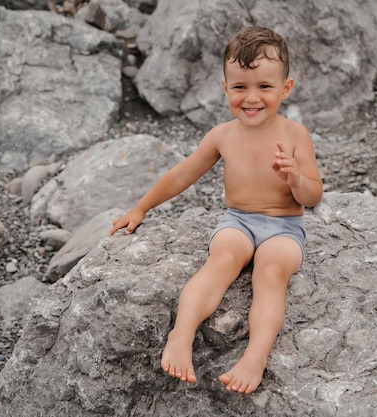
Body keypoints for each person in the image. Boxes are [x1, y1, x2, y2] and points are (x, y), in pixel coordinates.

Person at [109, 26, 323, 394]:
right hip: (237, 221)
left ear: (285, 88)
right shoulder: (222, 136)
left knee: (271, 273)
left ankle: (255, 356)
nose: (251, 98)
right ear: (225, 88)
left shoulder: (294, 135)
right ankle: (182, 333)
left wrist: (294, 180)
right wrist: (141, 207)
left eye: (264, 87)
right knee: (221, 260)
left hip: (284, 226)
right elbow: (181, 175)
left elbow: (314, 195)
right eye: (240, 87)